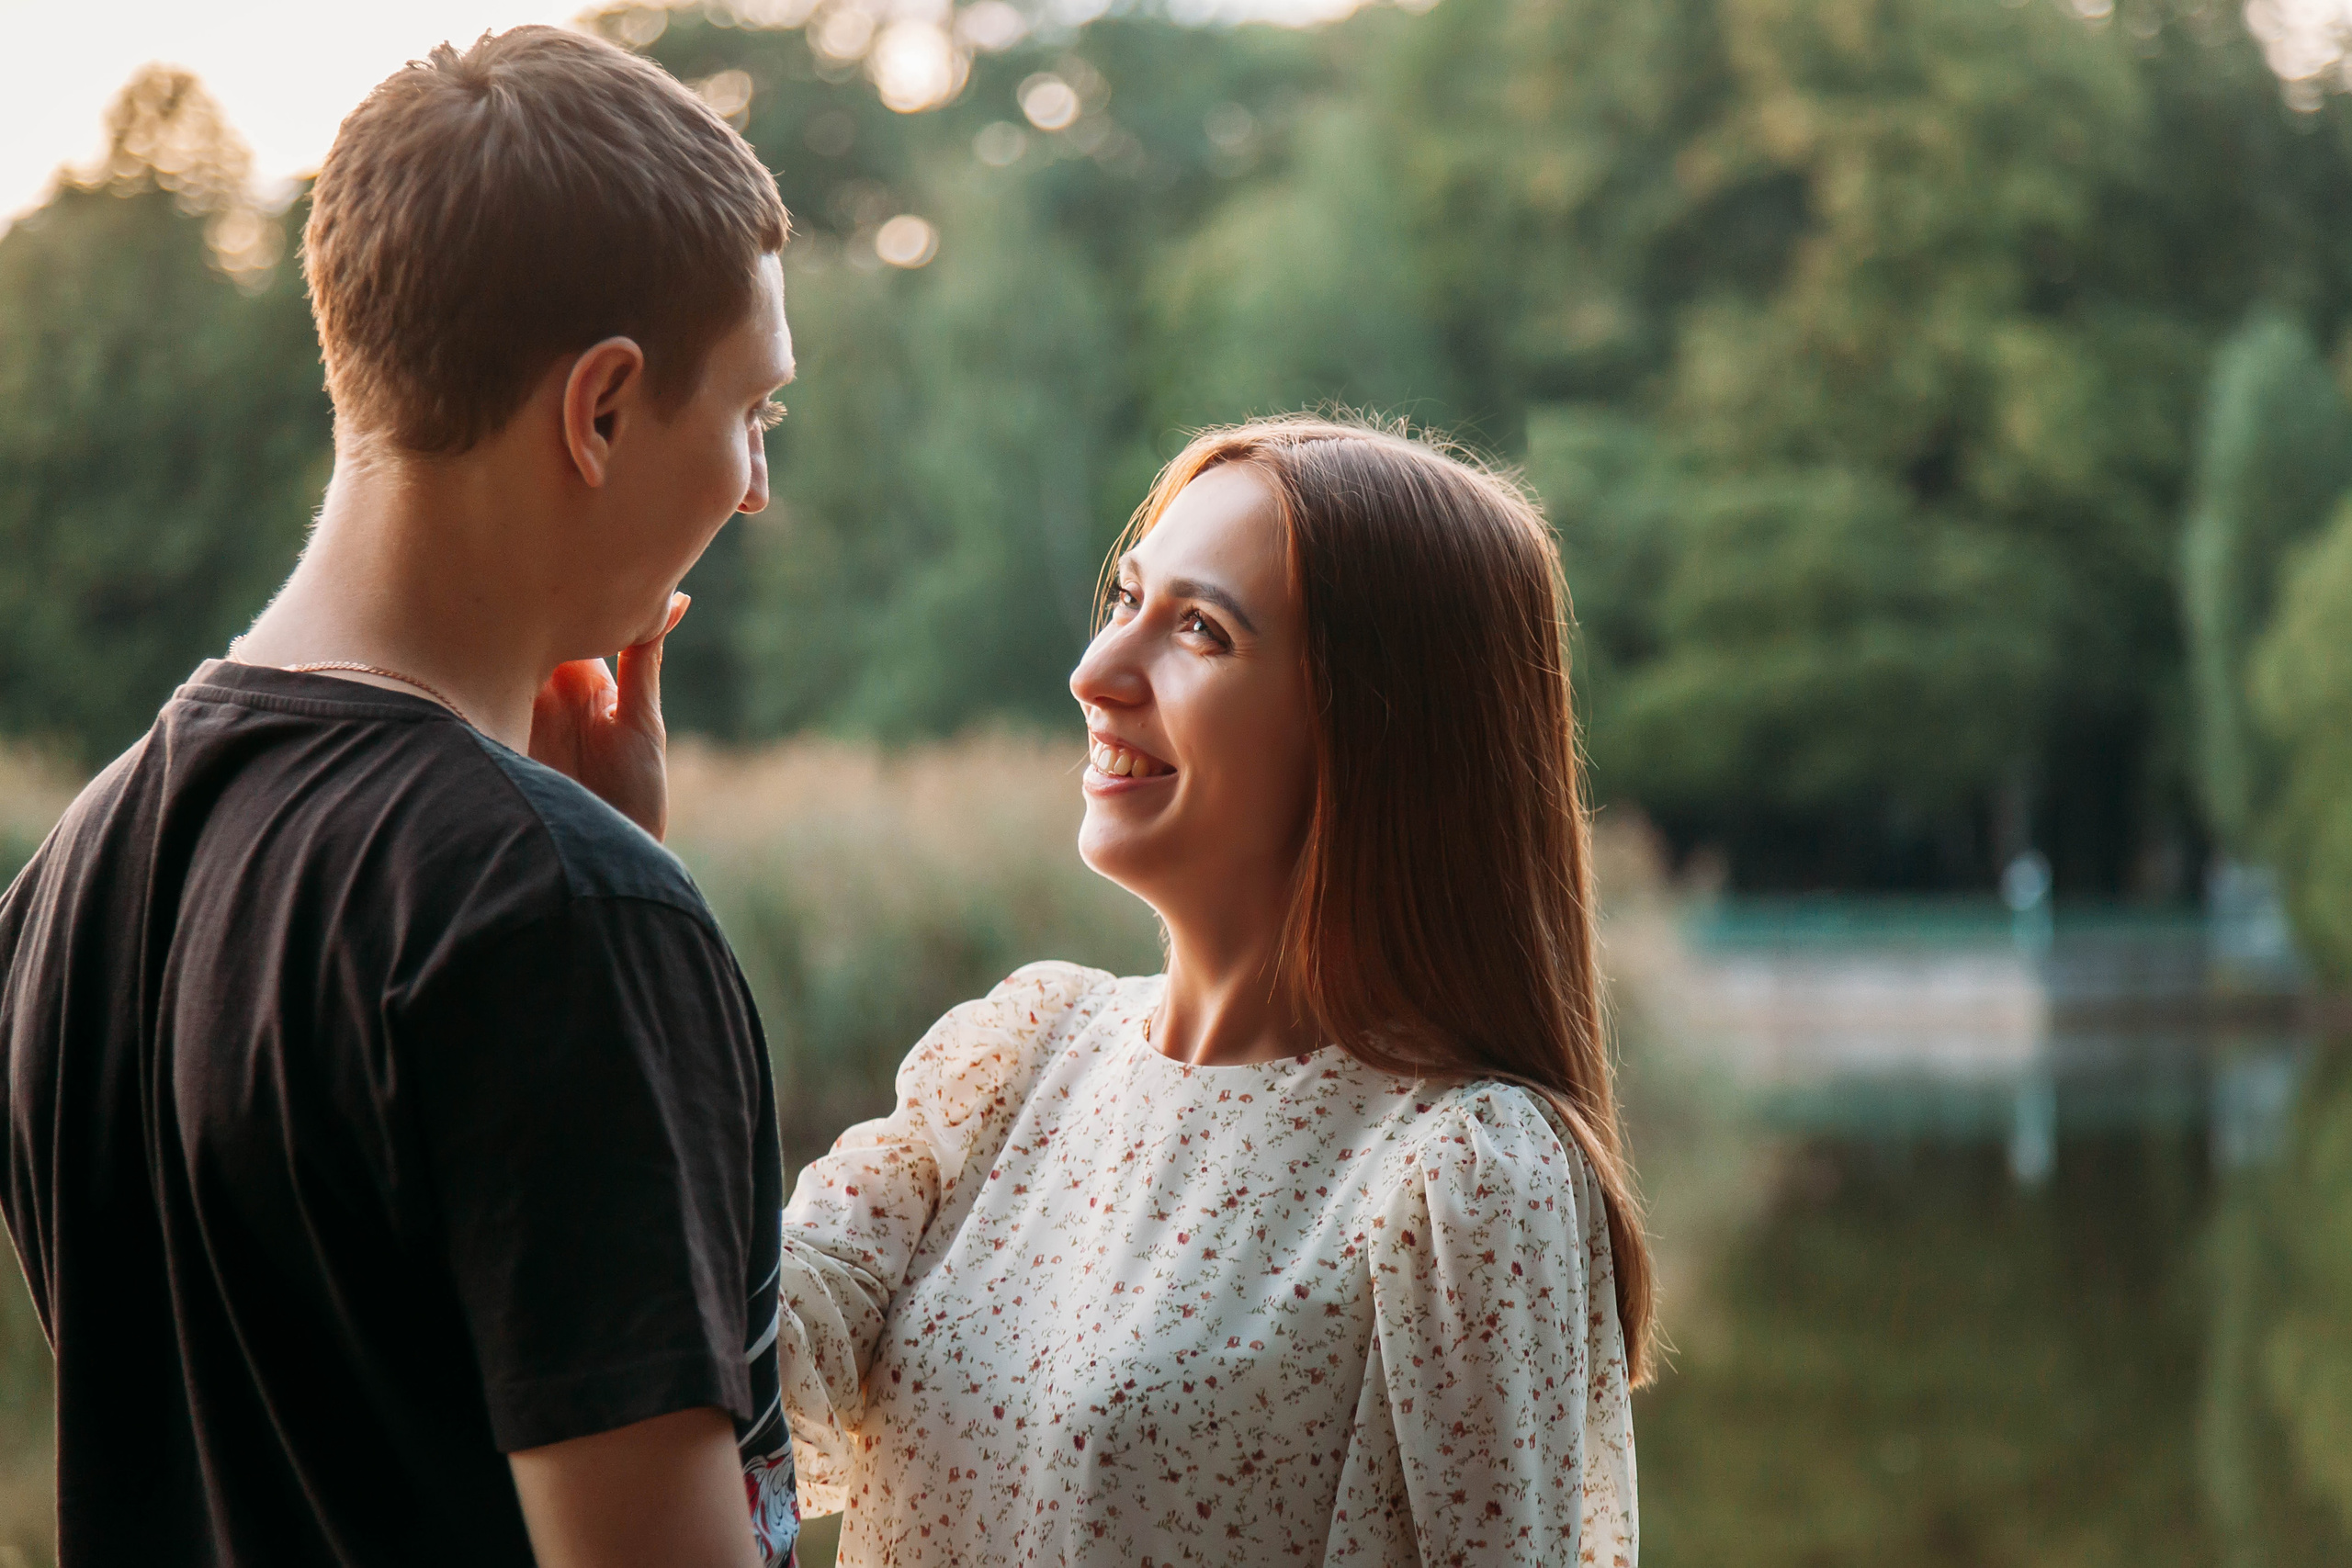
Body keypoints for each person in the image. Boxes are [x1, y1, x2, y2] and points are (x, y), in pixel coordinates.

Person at [0, 28, 797, 1568]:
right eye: (754, 412)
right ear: (602, 409)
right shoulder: (551, 915)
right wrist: (588, 890)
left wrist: (579, 852)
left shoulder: (70, 878)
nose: (756, 484)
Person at [773, 415, 1655, 1565]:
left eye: (1200, 629)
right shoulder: (1016, 1057)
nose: (1095, 675)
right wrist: (600, 872)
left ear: (1377, 730)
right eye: (1126, 599)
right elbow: (729, 1356)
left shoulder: (1464, 1178)